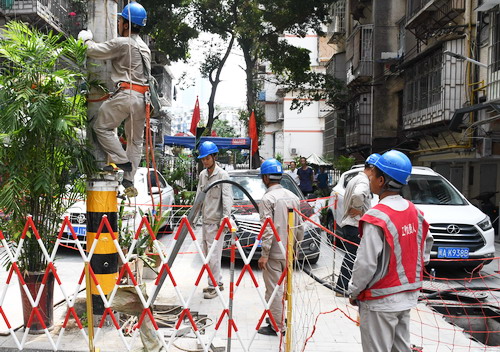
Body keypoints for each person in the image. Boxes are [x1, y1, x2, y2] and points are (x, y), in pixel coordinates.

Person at [348, 150, 433, 352]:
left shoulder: (376, 217)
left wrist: (354, 290)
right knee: (401, 348)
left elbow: (366, 263)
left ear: (381, 180)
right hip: (406, 296)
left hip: (379, 300)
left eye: (372, 174)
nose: (369, 178)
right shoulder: (415, 211)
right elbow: (426, 245)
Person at [78, 2, 150, 196]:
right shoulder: (144, 47)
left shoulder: (122, 43)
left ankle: (121, 161)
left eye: (120, 20)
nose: (118, 23)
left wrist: (85, 40)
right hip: (143, 99)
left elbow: (95, 51)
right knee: (136, 141)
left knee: (101, 126)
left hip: (126, 95)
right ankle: (129, 178)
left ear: (127, 25)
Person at [257, 158, 304, 336]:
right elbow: (300, 226)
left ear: (266, 178)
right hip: (289, 251)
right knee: (285, 289)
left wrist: (264, 254)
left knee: (274, 290)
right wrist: (296, 250)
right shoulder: (293, 197)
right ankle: (282, 318)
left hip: (275, 253)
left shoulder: (268, 198)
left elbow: (268, 229)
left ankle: (277, 325)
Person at [335, 154, 379, 295]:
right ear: (372, 169)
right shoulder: (364, 182)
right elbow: (359, 194)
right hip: (355, 225)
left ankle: (342, 287)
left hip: (349, 224)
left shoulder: (355, 178)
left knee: (351, 256)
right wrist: (358, 207)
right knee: (354, 257)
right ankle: (342, 288)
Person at [195, 141, 234, 299]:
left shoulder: (223, 175)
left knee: (213, 256)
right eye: (203, 159)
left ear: (214, 157)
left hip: (217, 223)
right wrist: (193, 218)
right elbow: (199, 198)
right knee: (207, 255)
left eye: (207, 158)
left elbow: (227, 198)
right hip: (205, 222)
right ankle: (217, 282)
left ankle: (214, 286)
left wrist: (226, 218)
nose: (205, 161)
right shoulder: (202, 175)